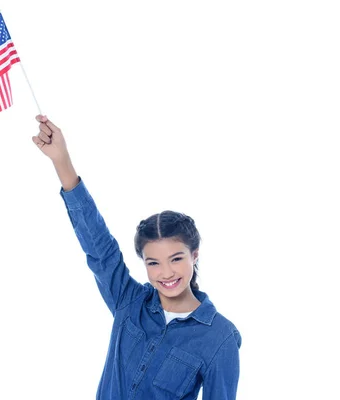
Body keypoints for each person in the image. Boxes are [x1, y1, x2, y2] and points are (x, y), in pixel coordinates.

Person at [32, 115, 242, 399]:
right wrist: (62, 161)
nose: (166, 273)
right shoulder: (129, 302)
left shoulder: (220, 337)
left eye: (176, 259)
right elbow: (98, 246)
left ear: (195, 255)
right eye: (153, 262)